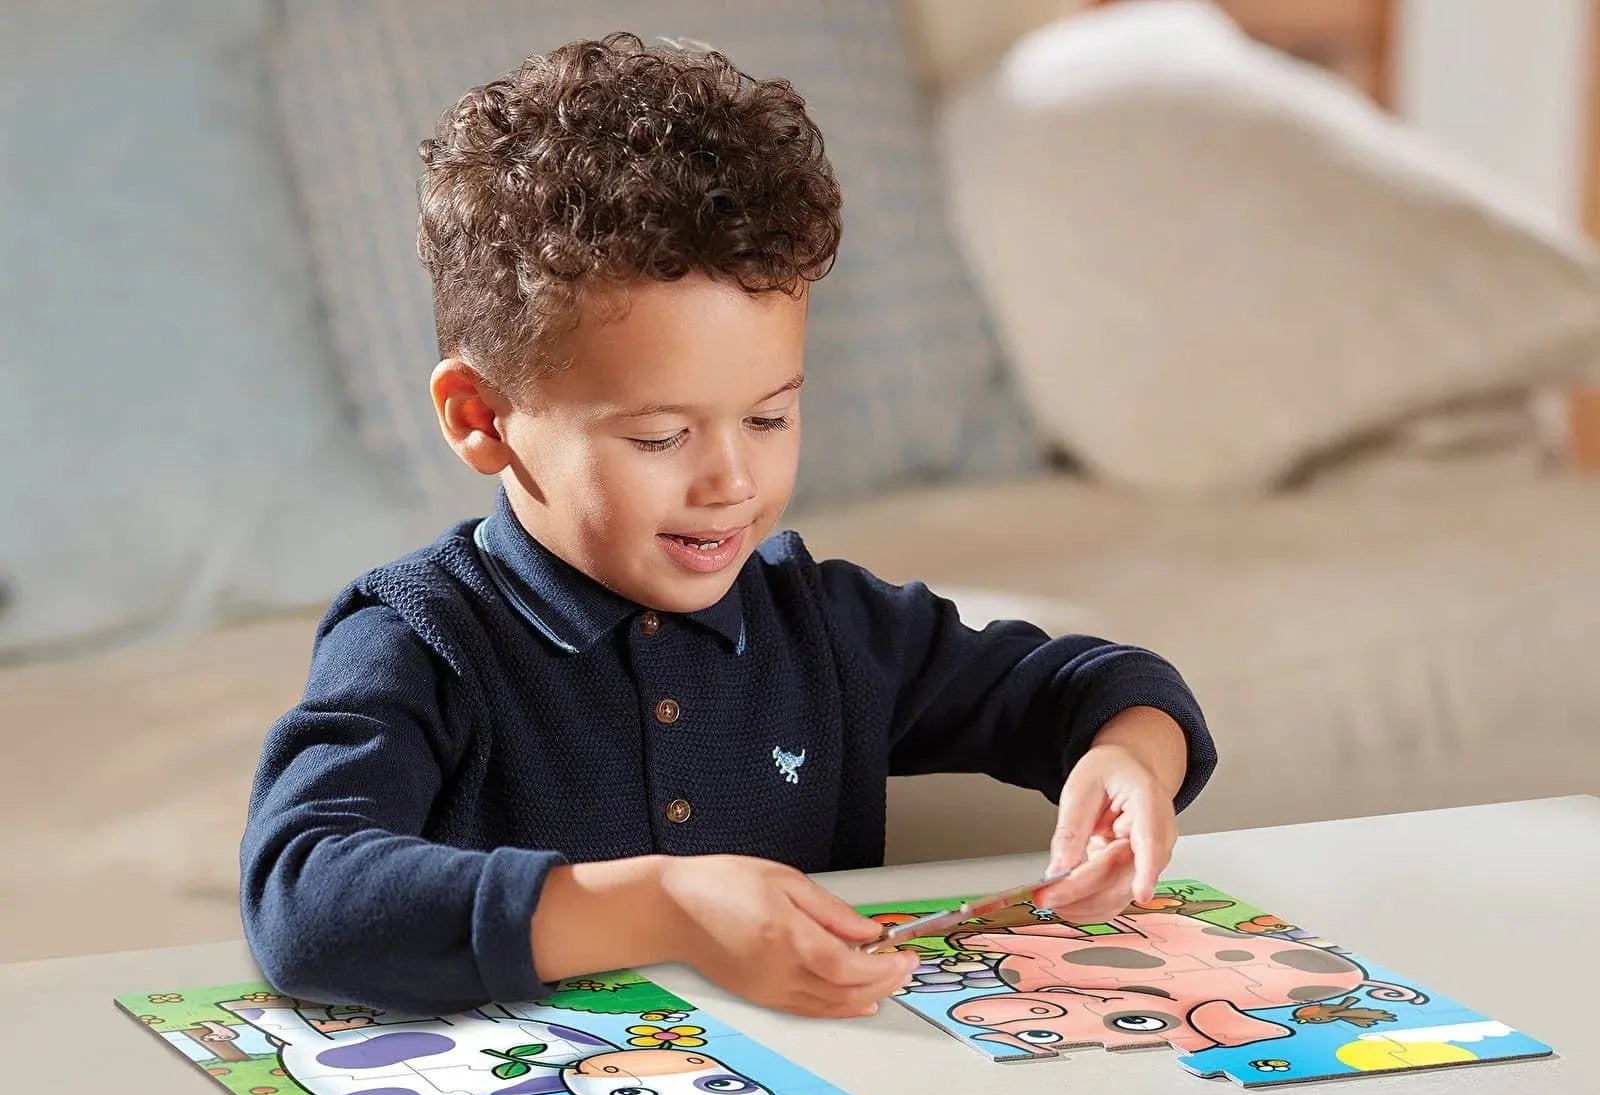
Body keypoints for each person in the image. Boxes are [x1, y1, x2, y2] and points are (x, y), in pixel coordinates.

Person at [240, 32, 1217, 1018]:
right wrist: (664, 907)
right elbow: (301, 901)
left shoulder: (824, 629)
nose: (733, 482)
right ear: (481, 418)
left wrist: (1128, 760)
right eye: (660, 436)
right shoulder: (419, 640)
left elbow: (1100, 687)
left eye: (769, 417)